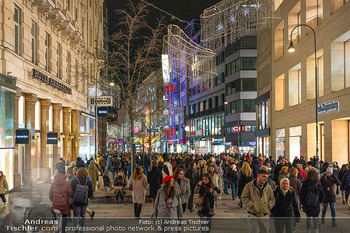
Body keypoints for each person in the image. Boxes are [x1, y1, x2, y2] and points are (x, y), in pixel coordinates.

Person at [241, 166, 275, 233]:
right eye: (263, 176)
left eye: (266, 177)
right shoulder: (249, 186)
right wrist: (252, 205)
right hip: (253, 215)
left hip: (265, 215)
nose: (265, 179)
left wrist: (268, 206)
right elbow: (244, 197)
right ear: (258, 175)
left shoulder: (268, 187)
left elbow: (272, 198)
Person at [300, 168, 325, 233]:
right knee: (315, 218)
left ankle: (309, 230)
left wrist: (303, 203)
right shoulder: (318, 183)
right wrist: (319, 201)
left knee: (308, 218)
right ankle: (316, 230)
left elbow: (302, 194)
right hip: (315, 203)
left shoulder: (305, 183)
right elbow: (322, 194)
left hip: (307, 203)